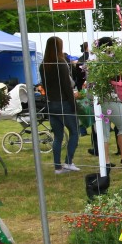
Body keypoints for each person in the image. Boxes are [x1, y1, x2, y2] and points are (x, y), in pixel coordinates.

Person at [92, 37, 122, 166]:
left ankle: (105, 161)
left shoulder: (94, 61)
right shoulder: (112, 61)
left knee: (103, 132)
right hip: (111, 99)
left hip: (98, 101)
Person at [39, 36, 81, 174]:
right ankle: (68, 162)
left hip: (51, 103)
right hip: (64, 102)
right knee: (74, 132)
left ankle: (57, 166)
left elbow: (45, 86)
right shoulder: (61, 63)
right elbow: (67, 86)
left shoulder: (43, 65)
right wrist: (74, 104)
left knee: (58, 136)